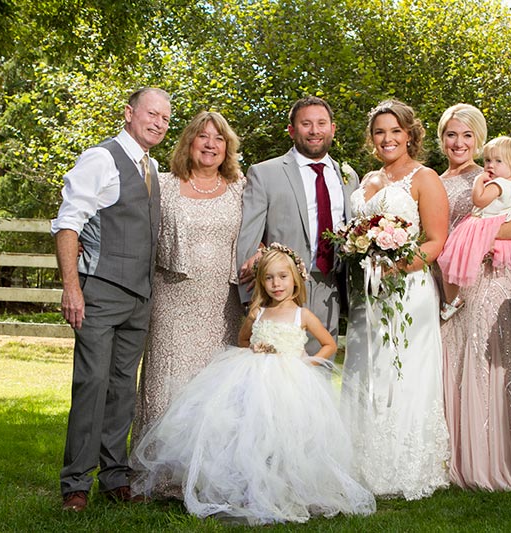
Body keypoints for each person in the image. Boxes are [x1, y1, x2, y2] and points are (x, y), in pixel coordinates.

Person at [130, 244, 376, 524]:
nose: (276, 284)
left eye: (283, 277)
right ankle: (250, 488)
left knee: (288, 434)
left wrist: (307, 363)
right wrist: (254, 348)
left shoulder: (302, 315)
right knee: (251, 433)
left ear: (295, 279)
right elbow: (243, 340)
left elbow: (329, 344)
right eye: (269, 278)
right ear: (261, 282)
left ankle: (288, 488)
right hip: (254, 380)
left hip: (291, 383)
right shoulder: (257, 313)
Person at [51, 87, 171, 511]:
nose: (158, 123)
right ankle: (76, 484)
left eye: (165, 119)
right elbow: (68, 224)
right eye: (151, 114)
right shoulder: (100, 158)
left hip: (139, 296)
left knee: (123, 390)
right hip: (99, 292)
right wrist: (72, 287)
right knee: (92, 386)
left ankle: (114, 476)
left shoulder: (152, 167)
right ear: (129, 113)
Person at [341, 99, 450, 500]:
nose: (387, 139)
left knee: (402, 369)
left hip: (408, 291)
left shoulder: (425, 178)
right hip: (365, 292)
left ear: (409, 135)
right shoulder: (367, 178)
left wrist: (396, 268)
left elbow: (437, 241)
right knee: (366, 366)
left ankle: (405, 464)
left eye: (395, 131)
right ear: (372, 138)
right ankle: (361, 462)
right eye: (379, 132)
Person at [435, 103, 511, 491]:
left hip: (488, 276)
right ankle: (450, 457)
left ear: (479, 139)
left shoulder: (491, 176)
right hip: (446, 279)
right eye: (452, 134)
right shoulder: (432, 179)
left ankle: (493, 458)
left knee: (487, 359)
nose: (459, 142)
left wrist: (480, 237)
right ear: (442, 138)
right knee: (451, 359)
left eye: (467, 135)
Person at [132, 111, 245, 446]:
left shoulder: (241, 186)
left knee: (216, 385)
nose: (210, 144)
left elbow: (259, 234)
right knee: (168, 379)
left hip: (224, 303)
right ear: (189, 142)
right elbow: (131, 225)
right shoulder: (163, 184)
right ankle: (160, 471)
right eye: (203, 136)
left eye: (219, 138)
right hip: (172, 300)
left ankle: (210, 470)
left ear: (227, 147)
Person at [236, 96, 359, 355]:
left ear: (332, 129)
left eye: (321, 123)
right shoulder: (265, 172)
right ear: (292, 130)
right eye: (306, 124)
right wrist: (252, 300)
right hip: (282, 291)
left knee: (321, 368)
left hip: (331, 286)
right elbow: (249, 237)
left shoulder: (347, 176)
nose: (315, 131)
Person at [437, 136, 511, 320]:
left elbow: (479, 200)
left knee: (452, 262)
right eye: (488, 160)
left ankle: (451, 300)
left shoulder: (497, 184)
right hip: (502, 222)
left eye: (498, 161)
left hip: (481, 224)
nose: (490, 166)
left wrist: (478, 183)